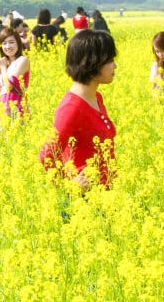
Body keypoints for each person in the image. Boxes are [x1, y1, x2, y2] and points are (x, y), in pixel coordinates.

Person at [39, 29, 117, 192]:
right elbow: (47, 155)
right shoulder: (72, 107)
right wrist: (70, 185)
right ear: (93, 62)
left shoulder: (96, 97)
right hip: (84, 200)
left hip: (105, 196)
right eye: (110, 60)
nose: (115, 65)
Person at [0, 28, 30, 124]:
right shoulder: (3, 63)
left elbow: (9, 86)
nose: (8, 46)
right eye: (4, 43)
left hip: (16, 104)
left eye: (11, 42)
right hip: (2, 105)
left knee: (17, 135)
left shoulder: (22, 61)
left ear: (18, 43)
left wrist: (3, 67)